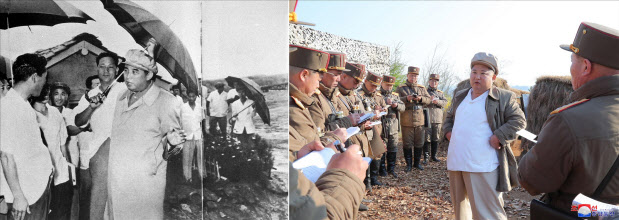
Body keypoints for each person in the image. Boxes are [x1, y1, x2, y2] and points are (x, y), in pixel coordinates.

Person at [518, 22, 619, 215]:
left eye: (573, 61)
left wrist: (536, 151)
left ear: (586, 67)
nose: (570, 68)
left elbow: (531, 181)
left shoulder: (568, 120)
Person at [443, 52, 525, 220]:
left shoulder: (503, 97)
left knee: (488, 213)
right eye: (474, 72)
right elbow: (449, 117)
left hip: (483, 165)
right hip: (457, 162)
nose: (477, 77)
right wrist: (448, 132)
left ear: (493, 76)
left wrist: (499, 136)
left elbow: (519, 121)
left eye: (483, 73)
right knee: (461, 211)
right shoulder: (460, 96)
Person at [107, 49, 186, 219]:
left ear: (149, 75)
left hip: (144, 184)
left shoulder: (166, 101)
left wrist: (171, 143)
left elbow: (174, 147)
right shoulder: (121, 96)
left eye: (135, 71)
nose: (127, 76)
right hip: (117, 179)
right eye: (126, 70)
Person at [73, 51, 127, 220]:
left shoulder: (125, 90)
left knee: (117, 198)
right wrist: (91, 107)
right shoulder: (90, 94)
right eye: (102, 67)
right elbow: (78, 121)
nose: (106, 71)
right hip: (95, 152)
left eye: (110, 67)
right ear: (97, 68)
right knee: (96, 198)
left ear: (117, 69)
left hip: (119, 149)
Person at [0, 53, 53, 220]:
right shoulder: (10, 107)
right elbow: (6, 156)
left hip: (34, 191)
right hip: (26, 197)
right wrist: (18, 196)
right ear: (34, 77)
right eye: (44, 78)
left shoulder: (22, 105)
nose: (45, 83)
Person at [30, 84, 73, 220]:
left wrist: (69, 168)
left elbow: (63, 145)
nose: (45, 93)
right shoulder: (29, 114)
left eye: (46, 89)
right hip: (41, 177)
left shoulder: (55, 112)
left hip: (61, 174)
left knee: (62, 214)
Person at [396, 66, 431, 171]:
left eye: (415, 76)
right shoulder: (401, 88)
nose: (413, 77)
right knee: (407, 143)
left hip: (420, 119)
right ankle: (409, 164)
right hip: (407, 119)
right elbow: (396, 100)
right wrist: (406, 98)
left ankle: (417, 163)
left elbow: (429, 100)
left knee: (419, 142)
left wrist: (420, 99)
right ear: (407, 75)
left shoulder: (422, 88)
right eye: (411, 75)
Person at [357, 71, 387, 186]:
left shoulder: (378, 96)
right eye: (372, 85)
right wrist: (372, 113)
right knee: (366, 153)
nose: (374, 88)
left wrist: (383, 110)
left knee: (377, 152)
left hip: (377, 128)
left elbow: (385, 108)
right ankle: (366, 181)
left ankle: (374, 179)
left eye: (376, 86)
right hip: (365, 129)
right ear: (365, 81)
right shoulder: (359, 95)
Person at [379, 75, 405, 178]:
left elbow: (403, 107)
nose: (389, 87)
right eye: (387, 85)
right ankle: (382, 169)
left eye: (391, 85)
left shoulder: (395, 95)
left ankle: (391, 169)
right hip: (382, 124)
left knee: (393, 147)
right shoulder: (378, 95)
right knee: (382, 147)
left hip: (393, 125)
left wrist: (396, 105)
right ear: (382, 83)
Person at [181, 90, 204, 183]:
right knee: (187, 157)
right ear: (187, 97)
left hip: (198, 134)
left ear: (196, 97)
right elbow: (179, 122)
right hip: (187, 135)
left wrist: (203, 133)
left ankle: (201, 175)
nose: (191, 98)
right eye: (189, 96)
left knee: (200, 156)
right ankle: (187, 177)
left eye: (193, 96)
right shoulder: (183, 107)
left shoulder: (200, 108)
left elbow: (202, 121)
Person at [423, 74, 447, 163]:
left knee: (435, 138)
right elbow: (421, 101)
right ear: (429, 82)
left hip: (437, 118)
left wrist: (437, 101)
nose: (434, 83)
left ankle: (434, 156)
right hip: (427, 117)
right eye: (432, 81)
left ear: (437, 83)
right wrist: (429, 99)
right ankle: (426, 157)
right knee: (426, 138)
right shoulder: (425, 92)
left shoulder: (440, 93)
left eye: (436, 81)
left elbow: (445, 102)